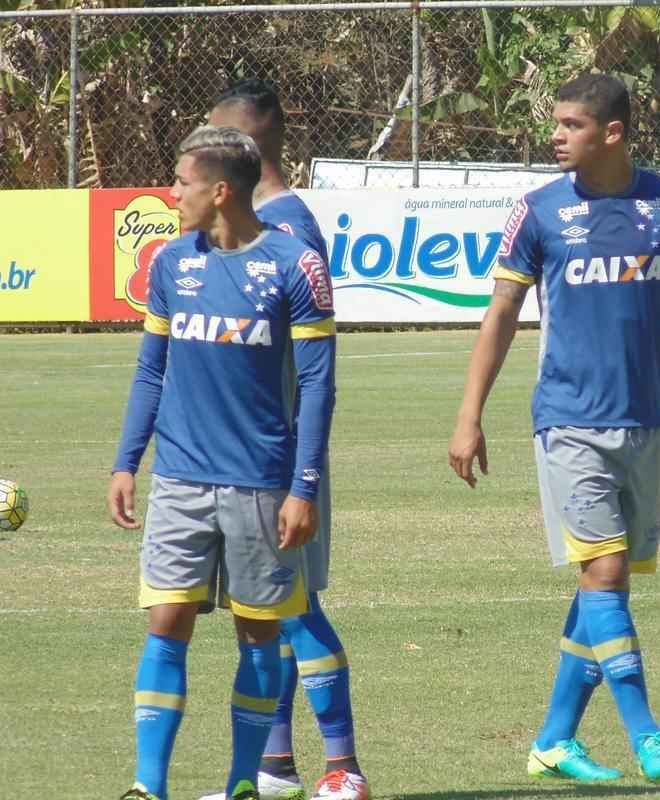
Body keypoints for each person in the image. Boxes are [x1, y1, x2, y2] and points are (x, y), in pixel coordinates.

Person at [447, 73, 660, 784]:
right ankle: (646, 732)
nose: (555, 135)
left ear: (613, 134)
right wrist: (469, 415)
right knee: (605, 571)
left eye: (570, 125)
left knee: (604, 589)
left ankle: (555, 740)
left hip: (644, 421)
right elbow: (501, 313)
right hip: (567, 420)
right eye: (557, 123)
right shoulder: (537, 211)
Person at [108, 125, 337, 800]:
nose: (171, 192)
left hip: (262, 484)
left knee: (258, 632)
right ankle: (148, 787)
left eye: (180, 181)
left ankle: (243, 782)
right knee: (165, 620)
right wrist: (127, 461)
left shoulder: (296, 265)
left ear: (219, 190)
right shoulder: (171, 263)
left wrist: (304, 487)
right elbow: (152, 370)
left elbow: (320, 384)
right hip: (178, 477)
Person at [197, 79, 368, 800]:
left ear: (238, 145)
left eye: (206, 136)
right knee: (260, 611)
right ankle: (275, 767)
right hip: (234, 454)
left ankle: (344, 769)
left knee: (293, 607)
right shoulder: (241, 228)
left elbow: (308, 361)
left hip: (279, 453)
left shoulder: (290, 230)